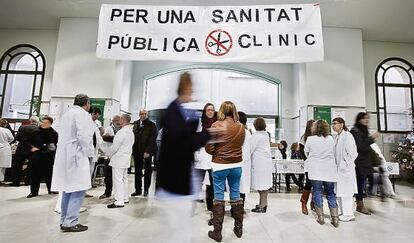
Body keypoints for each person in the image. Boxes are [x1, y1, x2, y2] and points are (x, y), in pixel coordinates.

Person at [155, 72, 211, 243]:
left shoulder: (177, 110)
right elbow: (183, 144)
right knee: (179, 228)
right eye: (191, 87)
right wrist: (208, 135)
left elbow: (183, 137)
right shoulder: (173, 112)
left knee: (181, 226)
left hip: (180, 176)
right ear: (185, 87)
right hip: (175, 180)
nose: (193, 92)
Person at [51, 94, 95, 232]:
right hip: (76, 154)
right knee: (78, 188)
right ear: (87, 103)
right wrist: (89, 153)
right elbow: (84, 136)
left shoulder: (67, 113)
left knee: (67, 188)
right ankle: (71, 221)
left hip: (64, 154)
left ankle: (64, 219)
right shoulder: (83, 114)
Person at [205, 101, 245, 242]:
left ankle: (217, 232)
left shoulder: (216, 125)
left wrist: (218, 151)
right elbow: (241, 144)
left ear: (221, 110)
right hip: (236, 165)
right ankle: (238, 228)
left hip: (220, 165)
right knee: (236, 194)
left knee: (219, 196)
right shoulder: (241, 127)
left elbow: (209, 148)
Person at [305, 120, 339, 227]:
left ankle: (320, 217)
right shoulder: (331, 139)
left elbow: (306, 152)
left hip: (315, 170)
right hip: (329, 170)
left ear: (314, 128)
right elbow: (334, 152)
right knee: (330, 193)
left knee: (317, 192)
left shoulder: (310, 139)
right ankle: (335, 218)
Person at [332, 117, 358, 222]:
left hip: (345, 170)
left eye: (335, 123)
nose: (333, 125)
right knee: (339, 191)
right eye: (332, 123)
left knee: (346, 192)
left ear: (342, 124)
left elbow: (353, 153)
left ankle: (349, 214)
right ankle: (343, 212)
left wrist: (344, 164)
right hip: (338, 170)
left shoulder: (347, 136)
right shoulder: (337, 137)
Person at [350, 112, 377, 215]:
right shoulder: (355, 131)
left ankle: (361, 203)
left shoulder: (364, 130)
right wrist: (372, 138)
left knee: (365, 183)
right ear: (359, 120)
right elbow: (359, 147)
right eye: (364, 118)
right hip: (359, 162)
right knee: (360, 184)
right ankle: (360, 205)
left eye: (367, 118)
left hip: (366, 162)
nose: (366, 120)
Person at [27, 116, 58, 198]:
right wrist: (32, 147)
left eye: (46, 123)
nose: (43, 124)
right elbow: (28, 142)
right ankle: (34, 192)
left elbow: (53, 145)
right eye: (43, 122)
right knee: (35, 174)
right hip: (37, 156)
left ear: (50, 124)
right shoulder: (35, 132)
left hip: (48, 156)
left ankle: (51, 189)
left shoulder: (53, 133)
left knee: (49, 174)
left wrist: (42, 147)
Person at [107, 114, 134, 208]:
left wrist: (108, 154)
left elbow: (115, 147)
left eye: (120, 119)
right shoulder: (131, 132)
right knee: (124, 179)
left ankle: (119, 201)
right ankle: (125, 197)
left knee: (118, 180)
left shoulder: (122, 132)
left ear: (123, 120)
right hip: (126, 159)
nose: (119, 120)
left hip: (119, 159)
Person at [194, 103, 216, 213]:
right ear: (205, 111)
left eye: (212, 110)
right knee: (198, 179)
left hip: (213, 155)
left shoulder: (218, 123)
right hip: (201, 154)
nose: (210, 112)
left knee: (212, 182)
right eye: (208, 110)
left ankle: (211, 205)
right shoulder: (200, 123)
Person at [131, 109, 157, 197]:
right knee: (137, 170)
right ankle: (137, 189)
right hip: (136, 151)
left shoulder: (151, 125)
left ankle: (146, 189)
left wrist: (147, 151)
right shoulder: (135, 123)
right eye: (142, 114)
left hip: (147, 152)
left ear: (147, 115)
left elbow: (152, 139)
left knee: (147, 171)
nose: (143, 115)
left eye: (145, 114)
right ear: (139, 115)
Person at [250, 117, 273, 213]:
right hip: (266, 163)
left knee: (261, 185)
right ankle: (262, 203)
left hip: (259, 164)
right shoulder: (266, 134)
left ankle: (263, 205)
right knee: (265, 185)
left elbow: (250, 149)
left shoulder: (256, 136)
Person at [11, 116, 39, 186]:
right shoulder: (39, 129)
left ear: (30, 121)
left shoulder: (22, 127)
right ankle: (27, 182)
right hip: (32, 150)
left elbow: (17, 138)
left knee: (18, 166)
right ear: (37, 122)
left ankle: (16, 182)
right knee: (31, 167)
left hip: (21, 149)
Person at [99, 115, 121, 199]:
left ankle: (117, 194)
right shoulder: (108, 129)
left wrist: (111, 138)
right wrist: (109, 138)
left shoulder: (122, 130)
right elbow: (104, 139)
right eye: (116, 120)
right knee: (108, 176)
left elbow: (118, 141)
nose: (118, 122)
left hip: (118, 156)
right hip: (109, 155)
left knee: (118, 177)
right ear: (113, 121)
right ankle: (107, 192)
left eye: (119, 120)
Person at [299, 119, 315, 215]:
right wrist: (306, 160)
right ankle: (304, 202)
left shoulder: (318, 137)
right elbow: (301, 150)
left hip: (317, 164)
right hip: (309, 164)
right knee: (309, 183)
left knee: (316, 184)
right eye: (312, 125)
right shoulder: (304, 137)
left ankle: (314, 202)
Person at [238, 111, 252, 209]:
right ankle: (240, 208)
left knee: (237, 186)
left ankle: (236, 208)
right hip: (245, 162)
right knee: (242, 186)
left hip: (237, 162)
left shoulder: (237, 131)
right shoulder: (248, 133)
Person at [0, 119, 14, 184]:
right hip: (4, 148)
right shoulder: (7, 130)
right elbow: (12, 138)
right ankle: (0, 180)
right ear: (5, 124)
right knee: (2, 166)